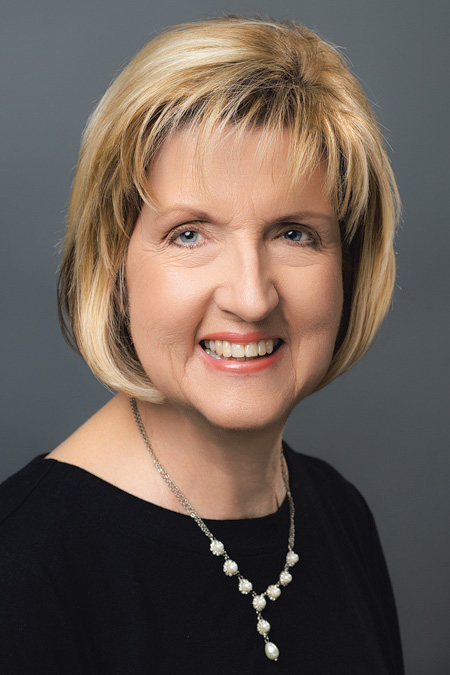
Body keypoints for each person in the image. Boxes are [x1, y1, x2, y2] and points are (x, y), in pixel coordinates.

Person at [0, 15, 403, 674]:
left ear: (348, 265)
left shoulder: (338, 512)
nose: (251, 297)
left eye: (294, 233)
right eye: (189, 233)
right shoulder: (23, 568)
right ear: (114, 267)